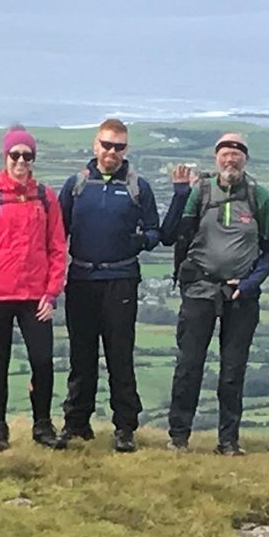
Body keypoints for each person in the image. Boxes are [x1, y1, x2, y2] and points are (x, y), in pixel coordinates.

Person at [161, 131, 269, 454]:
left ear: (245, 158)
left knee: (233, 370)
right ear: (217, 158)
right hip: (199, 288)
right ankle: (179, 438)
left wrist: (249, 283)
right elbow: (176, 234)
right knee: (189, 365)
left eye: (237, 153)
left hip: (240, 295)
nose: (231, 159)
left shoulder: (260, 197)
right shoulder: (199, 193)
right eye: (225, 153)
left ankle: (228, 441)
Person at [56, 117, 160, 453]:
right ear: (95, 145)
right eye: (106, 145)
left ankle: (125, 427)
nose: (111, 152)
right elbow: (57, 233)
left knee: (120, 356)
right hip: (82, 279)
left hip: (121, 280)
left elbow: (155, 232)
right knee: (81, 357)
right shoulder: (76, 185)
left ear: (126, 149)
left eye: (118, 146)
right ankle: (76, 424)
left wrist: (138, 241)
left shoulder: (138, 187)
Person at [0, 127, 68, 451]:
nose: (21, 161)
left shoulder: (46, 197)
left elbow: (57, 247)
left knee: (42, 361)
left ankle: (42, 425)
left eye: (27, 155)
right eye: (15, 155)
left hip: (35, 297)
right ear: (5, 157)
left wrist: (51, 293)